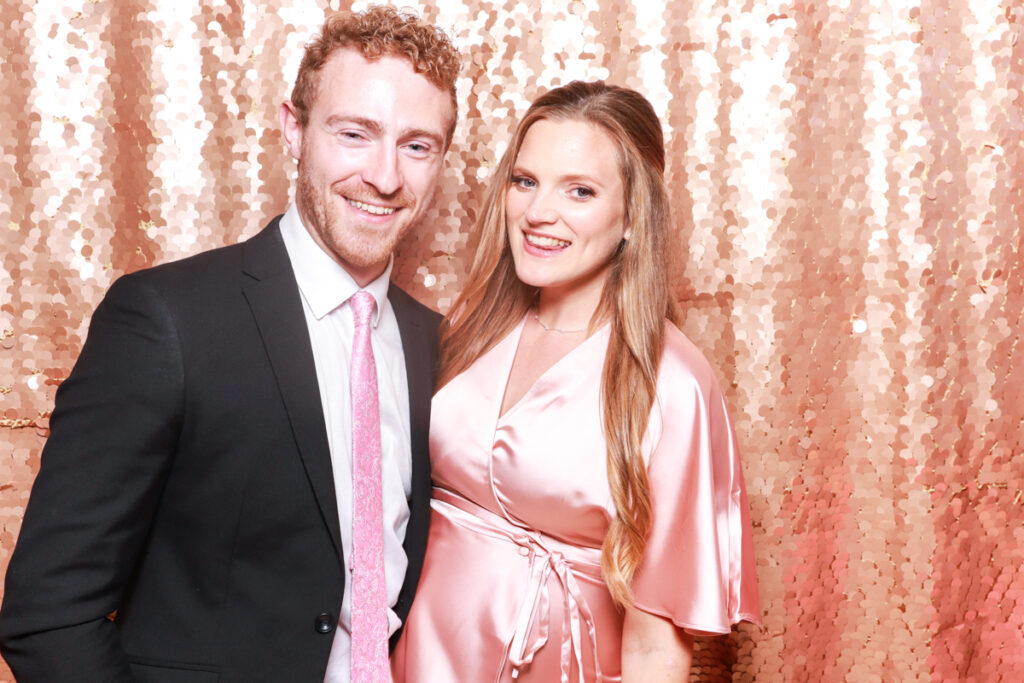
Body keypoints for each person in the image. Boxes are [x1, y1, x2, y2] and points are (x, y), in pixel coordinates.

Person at [0, 6, 459, 682]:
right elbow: (48, 613)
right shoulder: (167, 320)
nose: (386, 176)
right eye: (355, 134)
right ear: (293, 131)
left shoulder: (434, 345)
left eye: (417, 145)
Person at [391, 81, 761, 682]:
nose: (538, 213)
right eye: (525, 181)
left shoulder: (670, 383)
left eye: (580, 191)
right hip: (415, 660)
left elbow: (655, 649)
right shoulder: (468, 327)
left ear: (633, 216)